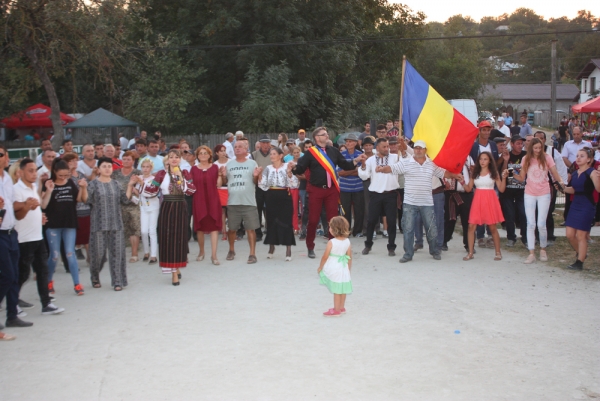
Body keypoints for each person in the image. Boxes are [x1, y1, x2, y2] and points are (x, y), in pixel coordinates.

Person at [380, 140, 463, 263]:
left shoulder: (431, 164)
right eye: (416, 148)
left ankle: (434, 251)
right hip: (409, 202)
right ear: (414, 149)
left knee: (431, 228)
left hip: (427, 203)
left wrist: (455, 175)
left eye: (421, 148)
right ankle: (408, 254)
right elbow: (392, 168)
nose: (418, 150)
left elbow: (443, 173)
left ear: (425, 150)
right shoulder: (406, 163)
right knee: (408, 229)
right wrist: (381, 168)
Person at [291, 127, 363, 258]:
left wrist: (356, 160)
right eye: (324, 134)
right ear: (317, 138)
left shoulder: (334, 151)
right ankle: (310, 246)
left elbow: (345, 165)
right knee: (313, 220)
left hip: (331, 190)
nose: (327, 135)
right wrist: (293, 167)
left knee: (333, 219)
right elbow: (300, 168)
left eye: (326, 133)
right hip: (316, 190)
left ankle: (333, 247)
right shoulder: (311, 153)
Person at [13, 158, 65, 315]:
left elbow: (42, 205)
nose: (34, 173)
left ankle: (46, 304)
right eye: (30, 170)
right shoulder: (16, 189)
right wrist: (28, 207)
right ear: (21, 172)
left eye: (35, 170)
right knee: (22, 274)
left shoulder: (34, 186)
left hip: (37, 236)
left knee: (42, 271)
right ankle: (13, 304)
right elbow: (17, 213)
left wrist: (48, 191)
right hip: (23, 239)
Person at [142, 150, 196, 285]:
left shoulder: (185, 173)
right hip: (167, 207)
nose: (174, 159)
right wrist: (143, 182)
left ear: (180, 160)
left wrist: (181, 179)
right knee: (168, 238)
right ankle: (173, 272)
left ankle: (176, 267)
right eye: (171, 157)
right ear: (167, 160)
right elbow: (151, 192)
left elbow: (191, 190)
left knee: (180, 238)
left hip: (181, 207)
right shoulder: (161, 174)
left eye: (176, 157)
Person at [41, 158, 88, 296]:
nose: (63, 178)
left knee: (70, 253)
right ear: (54, 172)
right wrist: (49, 190)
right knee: (54, 255)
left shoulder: (70, 183)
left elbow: (78, 199)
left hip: (69, 223)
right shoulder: (48, 183)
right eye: (60, 175)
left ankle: (77, 283)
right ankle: (48, 281)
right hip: (53, 224)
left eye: (66, 175)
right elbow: (43, 205)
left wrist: (83, 187)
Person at [513, 138, 564, 263]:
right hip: (529, 193)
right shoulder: (526, 159)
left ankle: (542, 248)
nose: (537, 150)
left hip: (544, 193)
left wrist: (561, 182)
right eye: (535, 148)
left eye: (539, 148)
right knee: (531, 224)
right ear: (531, 148)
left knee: (541, 223)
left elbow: (554, 172)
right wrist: (510, 174)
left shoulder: (547, 158)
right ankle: (531, 252)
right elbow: (521, 177)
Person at [1, 144, 34, 331]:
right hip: (0, 234)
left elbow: (15, 210)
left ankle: (12, 315)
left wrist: (27, 206)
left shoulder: (6, 179)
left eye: (3, 155)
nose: (4, 158)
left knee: (14, 276)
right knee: (7, 275)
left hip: (11, 231)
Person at [461, 152, 508, 261]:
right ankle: (471, 252)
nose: (482, 161)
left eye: (485, 159)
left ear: (490, 161)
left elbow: (501, 189)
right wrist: (462, 181)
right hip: (477, 200)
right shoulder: (475, 173)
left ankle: (498, 252)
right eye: (481, 159)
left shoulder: (493, 173)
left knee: (492, 227)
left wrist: (504, 178)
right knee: (471, 226)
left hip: (489, 200)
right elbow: (468, 189)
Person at [358, 137, 399, 256]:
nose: (387, 148)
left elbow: (405, 164)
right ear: (378, 148)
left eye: (388, 146)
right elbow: (364, 176)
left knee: (391, 221)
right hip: (375, 195)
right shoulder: (371, 160)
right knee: (371, 221)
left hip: (391, 194)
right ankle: (368, 245)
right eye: (384, 147)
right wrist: (364, 165)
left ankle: (391, 247)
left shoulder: (395, 157)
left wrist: (404, 149)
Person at [222, 141, 261, 264]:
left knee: (251, 229)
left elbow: (256, 182)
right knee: (232, 229)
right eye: (235, 147)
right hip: (233, 202)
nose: (237, 149)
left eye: (240, 147)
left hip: (249, 201)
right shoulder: (229, 164)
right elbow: (225, 181)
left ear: (246, 149)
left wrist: (256, 176)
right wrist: (223, 175)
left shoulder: (252, 163)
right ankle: (231, 250)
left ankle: (252, 254)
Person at [258, 147, 299, 261]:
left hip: (284, 195)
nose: (271, 156)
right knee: (271, 221)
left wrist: (290, 173)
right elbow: (263, 185)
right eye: (270, 154)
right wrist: (258, 176)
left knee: (286, 221)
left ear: (281, 155)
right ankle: (271, 247)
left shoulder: (287, 166)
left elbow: (295, 184)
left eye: (274, 154)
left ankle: (288, 249)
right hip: (271, 196)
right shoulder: (268, 168)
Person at [563, 148, 600, 270]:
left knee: (581, 235)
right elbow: (574, 190)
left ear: (589, 159)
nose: (578, 158)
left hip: (587, 205)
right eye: (577, 155)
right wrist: (562, 187)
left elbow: (598, 189)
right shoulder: (575, 173)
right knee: (569, 234)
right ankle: (582, 254)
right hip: (575, 204)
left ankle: (580, 262)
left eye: (582, 156)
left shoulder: (592, 172)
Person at [191, 146, 223, 265]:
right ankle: (201, 251)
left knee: (214, 227)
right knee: (200, 227)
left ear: (210, 155)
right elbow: (190, 185)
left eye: (205, 153)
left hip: (213, 199)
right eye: (201, 153)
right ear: (197, 156)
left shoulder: (215, 167)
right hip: (199, 200)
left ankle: (214, 255)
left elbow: (218, 185)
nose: (203, 155)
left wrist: (220, 175)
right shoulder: (193, 169)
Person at [317, 216, 352, 317]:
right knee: (343, 288)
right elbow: (349, 257)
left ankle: (336, 310)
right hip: (343, 266)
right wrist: (348, 268)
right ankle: (341, 307)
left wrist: (320, 267)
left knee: (337, 289)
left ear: (334, 230)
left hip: (335, 266)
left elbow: (325, 256)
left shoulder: (331, 242)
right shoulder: (347, 241)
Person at [111, 151, 141, 263]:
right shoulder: (115, 173)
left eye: (129, 159)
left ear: (133, 161)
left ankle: (134, 254)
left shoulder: (138, 172)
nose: (126, 161)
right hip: (119, 204)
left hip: (134, 204)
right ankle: (120, 255)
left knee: (134, 228)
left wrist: (136, 189)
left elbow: (143, 187)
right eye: (124, 159)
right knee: (121, 229)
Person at [64, 153, 91, 264]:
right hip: (73, 210)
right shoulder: (65, 176)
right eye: (72, 161)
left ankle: (90, 257)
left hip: (86, 208)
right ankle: (70, 259)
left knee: (88, 235)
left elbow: (88, 187)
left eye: (76, 160)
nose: (75, 162)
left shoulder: (80, 174)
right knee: (74, 237)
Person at [443, 155, 474, 252]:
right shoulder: (449, 157)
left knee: (467, 221)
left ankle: (469, 244)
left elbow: (473, 172)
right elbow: (441, 172)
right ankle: (444, 241)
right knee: (450, 219)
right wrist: (444, 183)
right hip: (452, 194)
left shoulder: (469, 158)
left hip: (466, 193)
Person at [500, 135, 527, 247]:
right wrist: (505, 160)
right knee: (509, 215)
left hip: (522, 190)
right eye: (518, 143)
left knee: (523, 214)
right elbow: (502, 172)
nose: (520, 146)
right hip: (508, 191)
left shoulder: (525, 156)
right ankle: (511, 238)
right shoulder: (507, 155)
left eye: (522, 143)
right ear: (512, 144)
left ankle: (525, 238)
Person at [132, 159, 159, 264]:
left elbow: (150, 193)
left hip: (153, 207)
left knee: (152, 231)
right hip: (143, 207)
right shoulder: (139, 178)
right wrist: (133, 188)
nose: (145, 169)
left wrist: (141, 183)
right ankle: (146, 251)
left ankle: (153, 255)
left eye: (147, 167)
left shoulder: (154, 179)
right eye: (143, 167)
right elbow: (138, 193)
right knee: (143, 231)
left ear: (151, 168)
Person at [338, 133, 364, 238]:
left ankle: (357, 231)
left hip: (358, 187)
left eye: (350, 141)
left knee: (359, 211)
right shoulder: (341, 154)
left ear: (355, 143)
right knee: (345, 211)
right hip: (344, 188)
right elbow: (339, 172)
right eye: (347, 141)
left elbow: (361, 172)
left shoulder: (360, 154)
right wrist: (353, 170)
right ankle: (346, 231)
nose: (348, 143)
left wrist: (347, 170)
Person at [251, 134, 273, 241]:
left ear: (270, 144)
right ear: (259, 144)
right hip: (258, 186)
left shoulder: (274, 154)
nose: (265, 145)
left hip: (270, 185)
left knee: (270, 210)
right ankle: (258, 232)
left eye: (267, 142)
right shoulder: (254, 154)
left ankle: (270, 231)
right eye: (263, 142)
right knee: (257, 210)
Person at [214, 144, 230, 241]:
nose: (223, 153)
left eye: (224, 150)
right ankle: (224, 232)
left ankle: (232, 231)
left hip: (231, 188)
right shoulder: (215, 165)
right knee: (222, 211)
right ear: (217, 153)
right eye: (221, 151)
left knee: (231, 211)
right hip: (220, 189)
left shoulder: (231, 162)